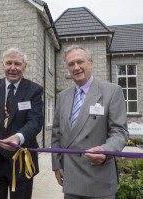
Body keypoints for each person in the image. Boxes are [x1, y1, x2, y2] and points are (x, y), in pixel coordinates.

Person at [51, 45, 128, 199]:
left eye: (80, 62)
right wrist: (57, 165)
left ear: (91, 63)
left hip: (99, 178)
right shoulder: (63, 96)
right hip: (71, 179)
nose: (76, 67)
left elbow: (119, 132)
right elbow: (56, 134)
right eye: (71, 64)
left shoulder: (112, 91)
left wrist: (105, 150)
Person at [0, 47, 43, 199]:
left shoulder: (35, 90)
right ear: (3, 65)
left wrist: (18, 138)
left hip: (22, 161)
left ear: (24, 66)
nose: (13, 68)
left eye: (17, 64)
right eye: (8, 63)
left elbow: (35, 121)